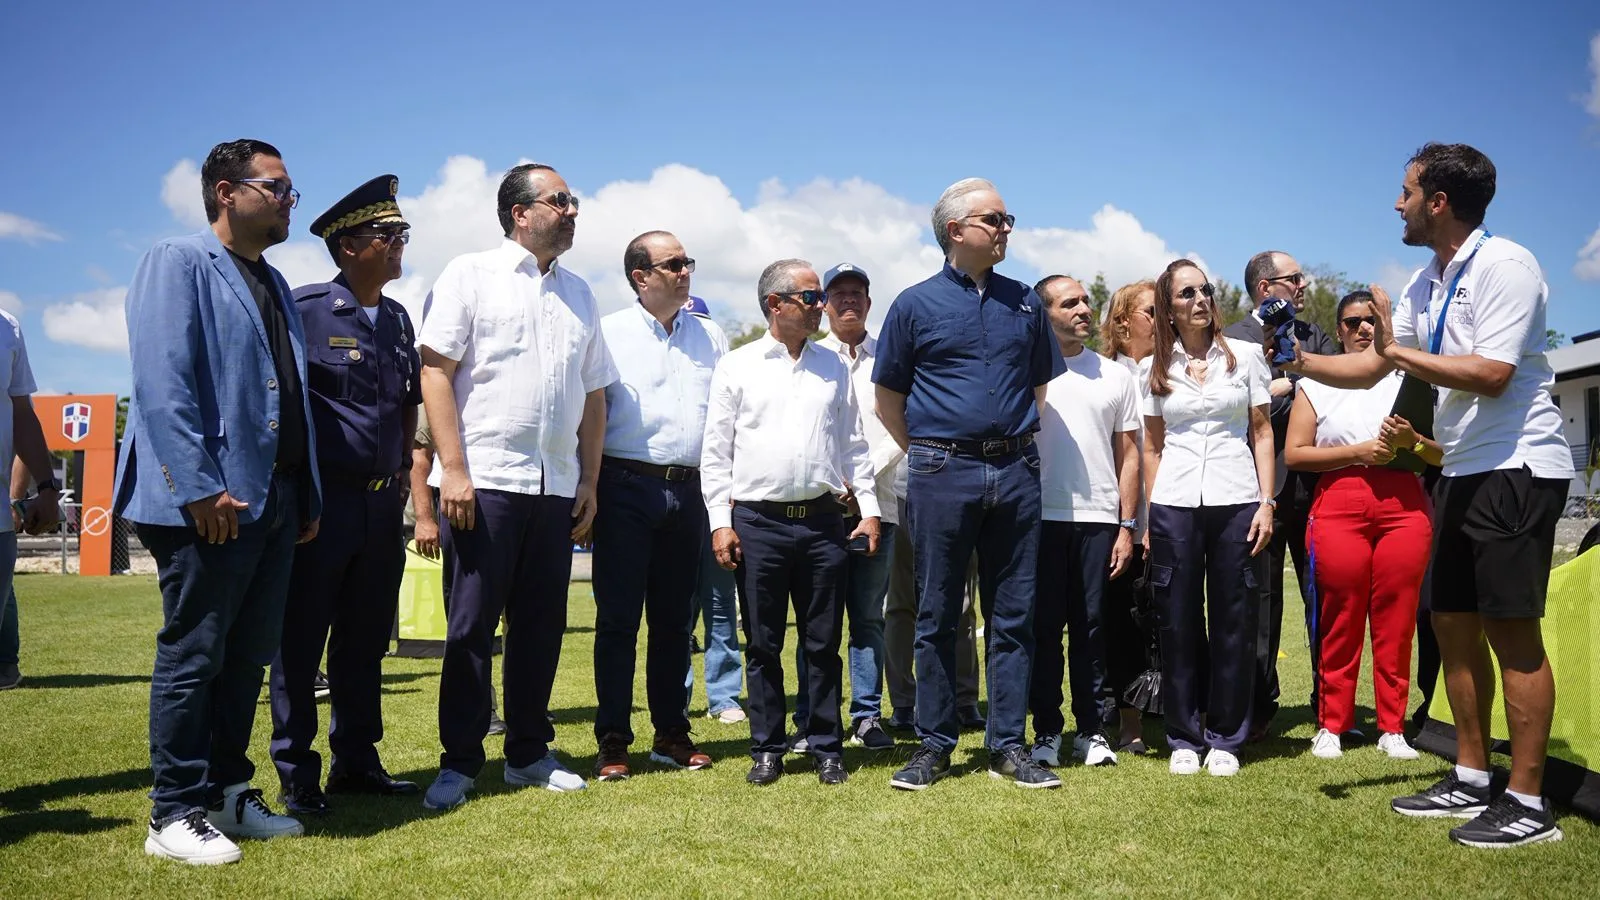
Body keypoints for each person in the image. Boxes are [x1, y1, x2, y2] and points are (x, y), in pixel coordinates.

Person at [1287, 143, 1572, 848]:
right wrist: (1301, 362)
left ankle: (1529, 802)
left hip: (1517, 466)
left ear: (1438, 200)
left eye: (1406, 190)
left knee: (1513, 635)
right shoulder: (1425, 281)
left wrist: (1393, 350)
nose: (1397, 203)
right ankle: (1471, 778)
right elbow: (1373, 366)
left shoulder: (1507, 265)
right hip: (1460, 471)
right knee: (1450, 624)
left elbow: (1492, 373)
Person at [117, 139, 321, 864]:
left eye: (291, 189)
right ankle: (174, 811)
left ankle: (229, 793)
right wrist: (198, 483)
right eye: (278, 186)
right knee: (195, 651)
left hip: (276, 499)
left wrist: (307, 491)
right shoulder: (177, 262)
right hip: (211, 499)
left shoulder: (272, 280)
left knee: (246, 658)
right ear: (227, 192)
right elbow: (162, 383)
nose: (290, 199)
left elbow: (287, 396)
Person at [416, 163, 616, 809]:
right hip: (487, 484)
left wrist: (589, 479)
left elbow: (593, 394)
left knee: (542, 627)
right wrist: (456, 471)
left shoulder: (582, 293)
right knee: (471, 629)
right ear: (519, 212)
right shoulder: (468, 275)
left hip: (555, 487)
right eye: (561, 200)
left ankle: (528, 753)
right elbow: (436, 373)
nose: (573, 210)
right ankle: (460, 762)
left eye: (574, 200)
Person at [874, 178, 1065, 791]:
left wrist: (999, 445)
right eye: (996, 219)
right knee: (937, 613)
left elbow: (1038, 389)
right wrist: (935, 453)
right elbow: (887, 400)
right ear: (956, 230)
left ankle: (1008, 744)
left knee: (1012, 615)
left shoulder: (1027, 305)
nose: (1007, 229)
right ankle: (934, 744)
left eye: (1010, 219)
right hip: (939, 471)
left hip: (1016, 470)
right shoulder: (912, 305)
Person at [267, 175, 422, 815]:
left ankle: (357, 762)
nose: (398, 244)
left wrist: (414, 498)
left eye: (400, 233)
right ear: (349, 245)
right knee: (300, 643)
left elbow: (407, 410)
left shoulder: (398, 318)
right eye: (387, 234)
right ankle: (297, 771)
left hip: (383, 506)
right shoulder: (302, 311)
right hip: (322, 504)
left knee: (363, 644)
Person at [701, 258, 881, 787]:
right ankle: (767, 747)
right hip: (758, 523)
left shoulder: (832, 367)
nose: (821, 305)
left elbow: (853, 446)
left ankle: (826, 744)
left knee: (823, 641)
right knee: (761, 642)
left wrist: (869, 510)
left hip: (826, 522)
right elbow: (716, 454)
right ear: (774, 305)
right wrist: (719, 521)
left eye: (819, 295)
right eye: (810, 296)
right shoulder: (736, 366)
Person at [1283, 290, 1434, 761]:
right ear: (1339, 328)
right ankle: (1332, 723)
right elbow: (1295, 454)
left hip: (1404, 503)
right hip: (1339, 501)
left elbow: (1439, 452)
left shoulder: (1413, 377)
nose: (1364, 329)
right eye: (1352, 322)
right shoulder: (1318, 382)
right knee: (1339, 616)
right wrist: (1357, 452)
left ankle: (1393, 726)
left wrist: (1413, 442)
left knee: (1397, 617)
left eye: (1372, 320)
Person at [590, 232, 719, 780]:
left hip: (690, 490)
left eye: (688, 261)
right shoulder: (608, 333)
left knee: (673, 624)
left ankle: (672, 734)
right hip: (623, 485)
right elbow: (589, 415)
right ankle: (614, 741)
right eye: (673, 264)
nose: (685, 270)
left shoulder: (711, 337)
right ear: (641, 277)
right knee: (618, 621)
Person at [1140, 259, 1275, 778]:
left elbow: (1261, 431)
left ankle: (1225, 736)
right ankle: (1183, 735)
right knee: (1175, 621)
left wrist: (1267, 501)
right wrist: (1150, 517)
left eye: (1205, 290)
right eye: (1186, 293)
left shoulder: (1243, 357)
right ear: (1169, 307)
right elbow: (1152, 446)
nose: (1200, 299)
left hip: (1236, 497)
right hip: (1174, 501)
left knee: (1234, 619)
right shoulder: (1154, 368)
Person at [1027, 275, 1140, 769]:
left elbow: (1130, 454)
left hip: (1099, 519)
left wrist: (1127, 524)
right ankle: (1047, 731)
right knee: (1043, 629)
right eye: (1069, 302)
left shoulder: (1117, 376)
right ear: (1043, 312)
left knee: (1093, 628)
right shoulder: (1024, 371)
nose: (1083, 309)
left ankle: (1092, 731)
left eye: (1086, 301)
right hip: (1036, 518)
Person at [1224, 251, 1336, 739]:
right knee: (1260, 602)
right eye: (1295, 278)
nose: (1304, 284)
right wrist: (1286, 381)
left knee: (1324, 596)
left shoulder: (1316, 338)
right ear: (1266, 287)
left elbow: (1339, 387)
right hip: (1257, 489)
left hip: (1314, 489)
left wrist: (1289, 378)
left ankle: (1330, 708)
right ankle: (1258, 706)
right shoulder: (1229, 340)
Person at [789, 263, 897, 753]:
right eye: (839, 294)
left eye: (858, 293)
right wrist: (839, 483)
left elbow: (904, 426)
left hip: (881, 503)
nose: (849, 301)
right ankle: (812, 715)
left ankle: (867, 715)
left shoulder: (891, 358)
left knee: (868, 619)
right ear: (824, 305)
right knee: (817, 621)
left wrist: (863, 480)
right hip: (822, 508)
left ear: (870, 303)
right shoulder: (809, 358)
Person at [410, 399, 507, 736]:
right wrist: (424, 518)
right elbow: (420, 459)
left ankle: (522, 709)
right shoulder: (440, 396)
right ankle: (484, 710)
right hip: (462, 520)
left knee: (516, 623)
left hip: (514, 508)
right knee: (471, 620)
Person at [677, 296, 745, 725]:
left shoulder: (723, 368)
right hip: (680, 494)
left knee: (722, 604)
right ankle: (677, 693)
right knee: (677, 606)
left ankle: (723, 697)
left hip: (720, 499)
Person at [1098, 279, 1158, 752]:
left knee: (1172, 617)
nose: (1162, 321)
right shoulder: (1101, 374)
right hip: (1119, 517)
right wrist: (1130, 521)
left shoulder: (1178, 370)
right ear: (1123, 322)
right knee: (1121, 619)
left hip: (1174, 510)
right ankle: (1128, 722)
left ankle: (1184, 710)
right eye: (1151, 312)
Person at [0, 342, 63, 693]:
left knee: (7, 589)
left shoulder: (7, 328)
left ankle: (6, 665)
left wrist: (20, 495)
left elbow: (23, 423)